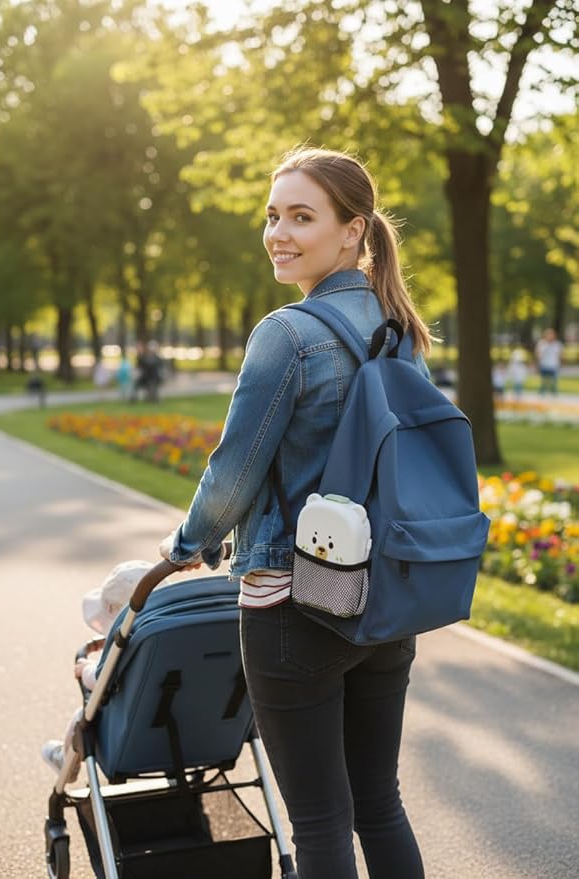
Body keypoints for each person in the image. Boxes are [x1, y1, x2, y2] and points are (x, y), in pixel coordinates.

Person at [159, 146, 428, 878]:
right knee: (380, 802)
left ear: (353, 230)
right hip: (386, 599)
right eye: (273, 215)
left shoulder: (288, 334)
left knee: (319, 824)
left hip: (292, 601)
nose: (279, 232)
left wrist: (190, 541)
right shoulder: (399, 326)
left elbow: (234, 471)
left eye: (301, 216)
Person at [41, 560, 171, 783]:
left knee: (82, 717)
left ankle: (66, 759)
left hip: (131, 737)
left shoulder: (127, 648)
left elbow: (101, 679)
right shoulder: (173, 636)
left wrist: (86, 669)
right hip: (187, 729)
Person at [535, 327, 563, 395]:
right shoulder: (542, 343)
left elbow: (560, 355)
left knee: (553, 382)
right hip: (544, 364)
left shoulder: (557, 344)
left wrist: (560, 364)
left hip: (554, 365)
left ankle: (554, 394)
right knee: (544, 382)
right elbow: (538, 354)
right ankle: (542, 395)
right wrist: (538, 364)